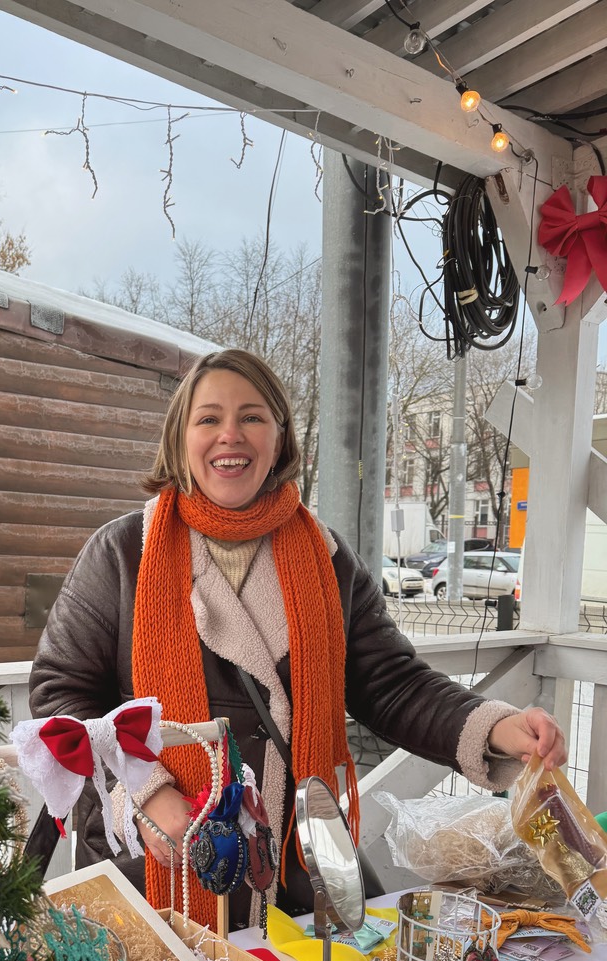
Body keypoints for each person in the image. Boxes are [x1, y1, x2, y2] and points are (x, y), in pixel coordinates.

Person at [29, 349, 566, 928]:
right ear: (180, 439)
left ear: (280, 437)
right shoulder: (121, 552)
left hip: (294, 868)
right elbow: (61, 696)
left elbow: (392, 684)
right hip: (155, 864)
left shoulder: (327, 558)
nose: (230, 434)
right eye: (208, 418)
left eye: (252, 417)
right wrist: (145, 791)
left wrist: (495, 728)